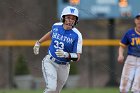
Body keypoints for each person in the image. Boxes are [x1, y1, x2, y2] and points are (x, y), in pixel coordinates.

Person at [33, 6, 82, 93]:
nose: (70, 20)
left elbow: (77, 57)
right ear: (63, 18)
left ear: (76, 21)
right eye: (68, 17)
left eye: (73, 18)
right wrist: (39, 42)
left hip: (64, 66)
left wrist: (66, 55)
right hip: (50, 61)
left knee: (56, 91)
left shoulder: (77, 35)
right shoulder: (56, 26)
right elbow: (51, 34)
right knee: (51, 88)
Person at [118, 13, 140, 93]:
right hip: (131, 59)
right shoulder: (129, 33)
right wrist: (120, 55)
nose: (139, 21)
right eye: (138, 19)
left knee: (137, 88)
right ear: (135, 20)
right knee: (124, 86)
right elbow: (122, 46)